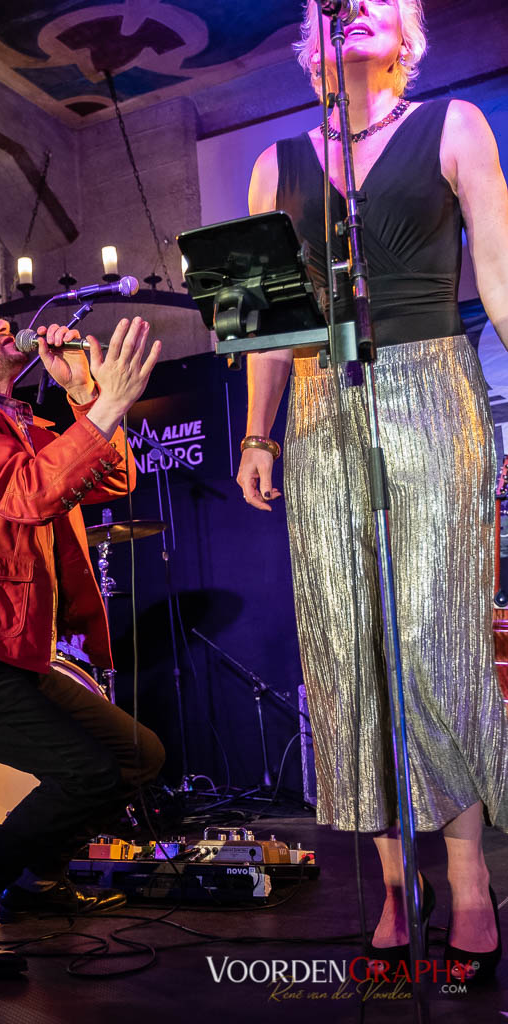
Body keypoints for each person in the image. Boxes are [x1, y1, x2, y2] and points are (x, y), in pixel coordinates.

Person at [237, 0, 508, 983]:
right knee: (349, 651)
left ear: (406, 36)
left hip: (434, 389)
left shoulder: (454, 125)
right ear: (313, 40)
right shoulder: (275, 164)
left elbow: (500, 278)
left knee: (436, 642)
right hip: (321, 404)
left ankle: (469, 881)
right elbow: (266, 321)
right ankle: (395, 886)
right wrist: (257, 432)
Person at [0, 288, 165, 977]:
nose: (1, 323)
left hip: (8, 653)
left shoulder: (22, 425)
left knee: (136, 755)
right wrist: (106, 405)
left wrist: (86, 397)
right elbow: (28, 493)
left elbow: (111, 477)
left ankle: (36, 880)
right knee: (86, 771)